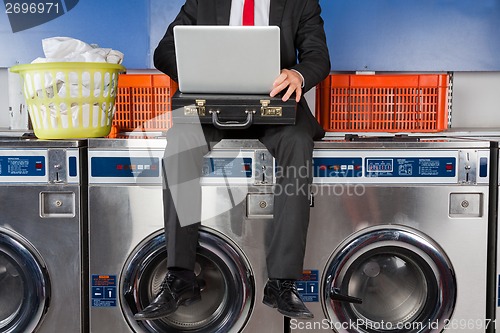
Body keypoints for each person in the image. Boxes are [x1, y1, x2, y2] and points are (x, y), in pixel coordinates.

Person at [134, 0, 330, 321]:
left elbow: (318, 57)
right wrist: (201, 72)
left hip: (275, 106)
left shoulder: (300, 2)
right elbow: (165, 51)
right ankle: (181, 275)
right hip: (212, 106)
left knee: (298, 142)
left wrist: (296, 74)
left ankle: (281, 282)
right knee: (180, 142)